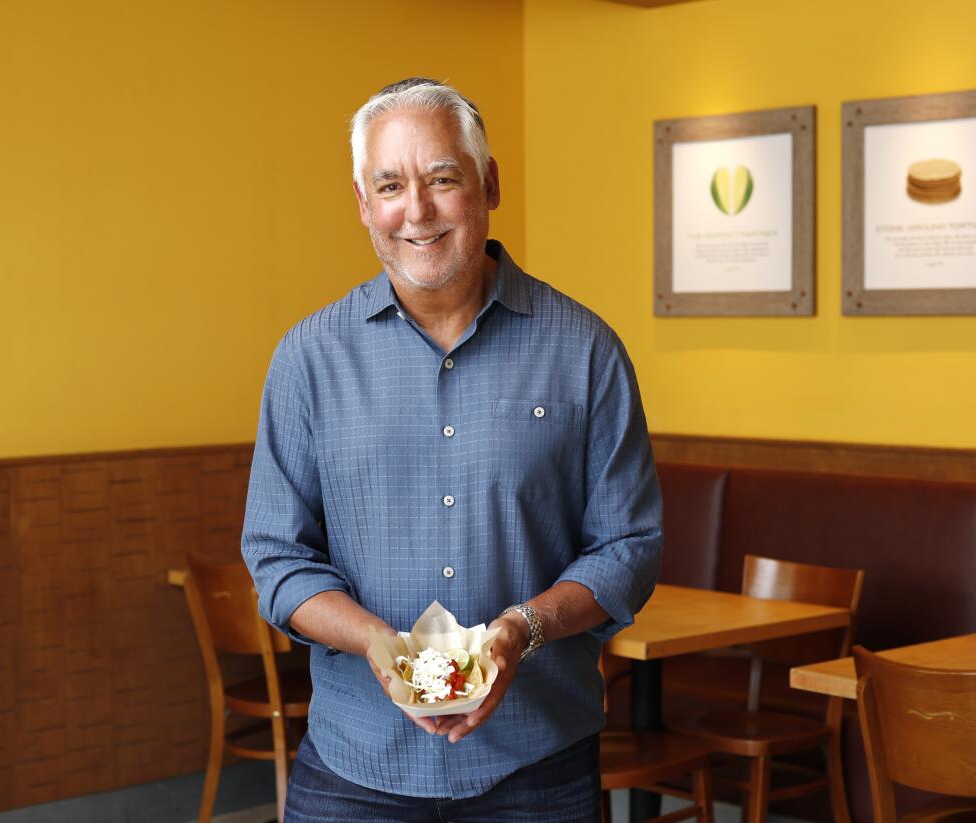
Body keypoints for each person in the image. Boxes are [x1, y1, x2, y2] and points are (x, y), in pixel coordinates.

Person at [241, 77, 662, 822]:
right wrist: (375, 639)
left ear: (489, 183)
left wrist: (518, 630)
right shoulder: (307, 358)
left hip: (537, 764)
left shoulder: (586, 351)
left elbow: (628, 547)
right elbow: (277, 557)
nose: (418, 211)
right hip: (353, 763)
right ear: (364, 203)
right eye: (391, 185)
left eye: (442, 178)